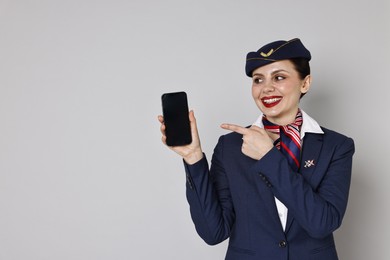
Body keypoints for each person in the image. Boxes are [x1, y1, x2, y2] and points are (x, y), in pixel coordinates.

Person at [158, 38, 354, 260]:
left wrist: (269, 157)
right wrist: (193, 158)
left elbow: (322, 223)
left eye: (279, 77)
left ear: (305, 83)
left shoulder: (336, 146)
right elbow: (213, 233)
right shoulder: (229, 147)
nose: (266, 88)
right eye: (258, 80)